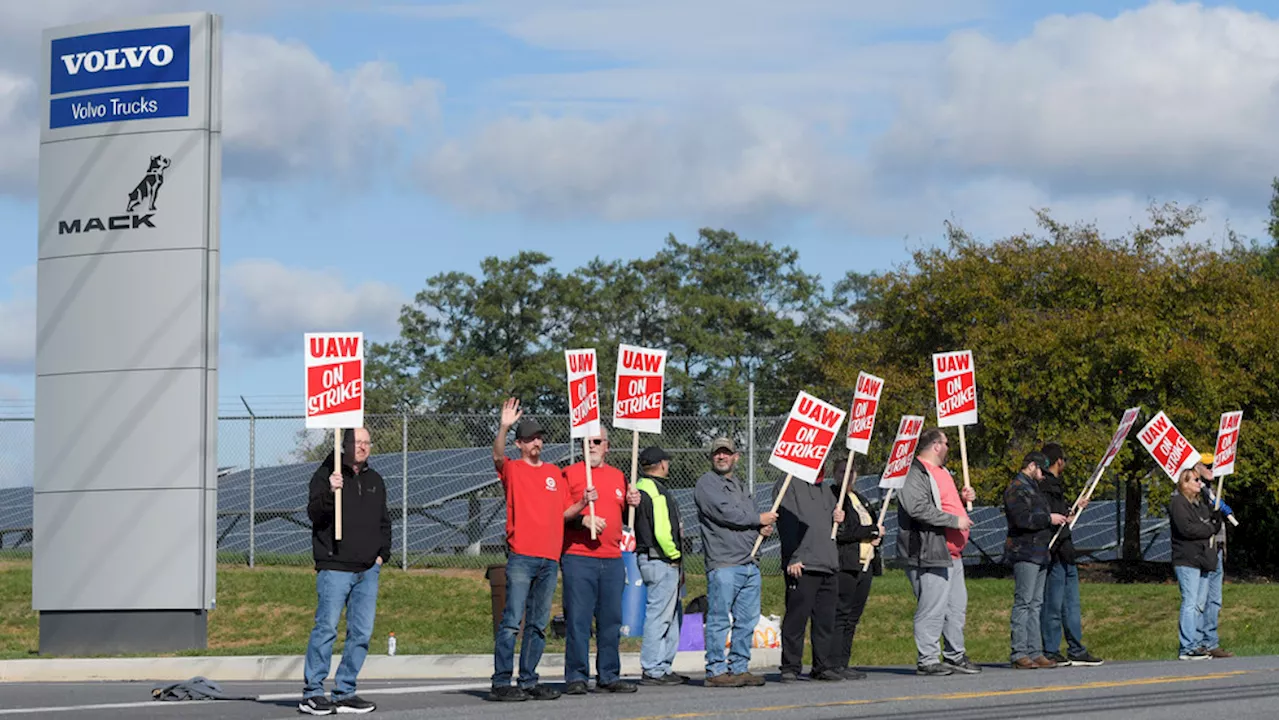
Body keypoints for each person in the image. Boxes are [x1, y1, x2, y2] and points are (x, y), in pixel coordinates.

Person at [488, 399, 596, 702]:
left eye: (540, 437)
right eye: (531, 438)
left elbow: (563, 513)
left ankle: (528, 680)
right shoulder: (513, 469)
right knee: (512, 621)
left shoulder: (553, 472)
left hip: (550, 557)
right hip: (522, 555)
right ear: (520, 444)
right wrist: (504, 426)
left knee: (538, 624)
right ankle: (500, 682)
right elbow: (497, 455)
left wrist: (584, 502)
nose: (537, 441)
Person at [299, 427, 390, 715]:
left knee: (361, 632)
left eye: (366, 442)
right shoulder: (326, 474)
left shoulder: (375, 480)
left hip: (367, 569)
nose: (363, 447)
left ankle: (345, 690)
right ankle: (313, 692)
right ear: (344, 444)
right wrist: (330, 491)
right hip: (335, 565)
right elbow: (313, 513)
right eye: (357, 442)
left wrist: (381, 556)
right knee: (326, 628)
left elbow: (384, 520)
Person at [560, 424, 639, 695]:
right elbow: (558, 514)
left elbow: (627, 515)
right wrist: (583, 517)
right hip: (579, 557)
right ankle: (576, 676)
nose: (591, 446)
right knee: (578, 620)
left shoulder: (619, 477)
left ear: (607, 446)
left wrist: (634, 502)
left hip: (612, 558)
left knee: (611, 621)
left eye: (596, 441)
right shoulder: (569, 474)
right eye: (587, 441)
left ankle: (608, 674)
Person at [896, 427, 979, 676]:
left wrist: (963, 501)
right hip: (927, 551)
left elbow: (942, 502)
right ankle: (928, 658)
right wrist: (955, 521)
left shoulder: (942, 472)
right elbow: (917, 507)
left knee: (955, 608)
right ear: (936, 445)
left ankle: (955, 654)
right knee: (932, 607)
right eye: (946, 443)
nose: (949, 448)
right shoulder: (914, 473)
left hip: (952, 554)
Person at [694, 436, 775, 688]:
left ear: (735, 457)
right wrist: (757, 520)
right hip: (724, 564)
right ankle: (716, 670)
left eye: (726, 453)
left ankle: (739, 667)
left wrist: (761, 530)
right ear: (712, 457)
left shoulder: (740, 486)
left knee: (747, 620)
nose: (721, 457)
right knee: (719, 618)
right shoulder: (706, 484)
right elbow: (726, 514)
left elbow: (749, 518)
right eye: (717, 453)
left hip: (749, 563)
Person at [772, 454, 847, 682]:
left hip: (828, 563)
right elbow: (785, 523)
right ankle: (790, 666)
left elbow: (836, 532)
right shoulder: (789, 484)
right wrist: (793, 557)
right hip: (802, 564)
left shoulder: (826, 491)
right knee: (796, 618)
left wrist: (839, 519)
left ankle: (822, 665)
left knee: (825, 620)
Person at [1038, 443, 1104, 667]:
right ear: (1059, 461)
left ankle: (1076, 647)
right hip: (1054, 553)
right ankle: (1051, 648)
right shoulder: (1044, 486)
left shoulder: (1055, 486)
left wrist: (1074, 509)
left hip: (1066, 551)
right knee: (1054, 604)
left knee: (1071, 604)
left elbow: (1063, 515)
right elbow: (1048, 516)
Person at [1003, 452, 1067, 670]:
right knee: (1024, 602)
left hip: (1040, 551)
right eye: (1040, 470)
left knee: (1036, 603)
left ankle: (1035, 651)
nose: (1042, 476)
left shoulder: (1034, 489)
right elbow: (1022, 519)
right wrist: (1048, 519)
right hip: (1024, 551)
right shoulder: (1016, 489)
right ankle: (1019, 651)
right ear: (1031, 466)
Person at [632, 446, 689, 686]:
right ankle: (653, 668)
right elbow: (662, 530)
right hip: (661, 559)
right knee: (660, 616)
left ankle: (663, 665)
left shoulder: (640, 488)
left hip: (650, 558)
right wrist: (675, 554)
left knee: (671, 616)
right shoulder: (656, 491)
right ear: (662, 464)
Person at [829, 449, 883, 680]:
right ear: (835, 474)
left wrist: (878, 533)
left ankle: (844, 661)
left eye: (851, 472)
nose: (847, 476)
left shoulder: (860, 499)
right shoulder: (833, 497)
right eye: (842, 472)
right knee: (840, 613)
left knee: (853, 616)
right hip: (846, 563)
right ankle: (833, 662)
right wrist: (871, 531)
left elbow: (874, 525)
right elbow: (842, 532)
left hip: (866, 564)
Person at [1170, 465, 1222, 660]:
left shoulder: (1199, 504)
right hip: (1186, 559)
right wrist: (1209, 528)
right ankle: (1187, 647)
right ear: (1184, 484)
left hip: (1202, 558)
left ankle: (1197, 643)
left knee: (1200, 603)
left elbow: (1208, 522)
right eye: (1195, 480)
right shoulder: (1178, 503)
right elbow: (1187, 529)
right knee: (1190, 602)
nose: (1199, 483)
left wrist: (1214, 521)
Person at [1193, 455, 1234, 659]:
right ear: (1196, 467)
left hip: (1217, 548)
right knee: (1201, 598)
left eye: (1213, 465)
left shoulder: (1211, 490)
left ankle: (1211, 641)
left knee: (1215, 599)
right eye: (1206, 465)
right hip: (1203, 550)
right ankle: (1197, 642)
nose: (1211, 469)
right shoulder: (1194, 491)